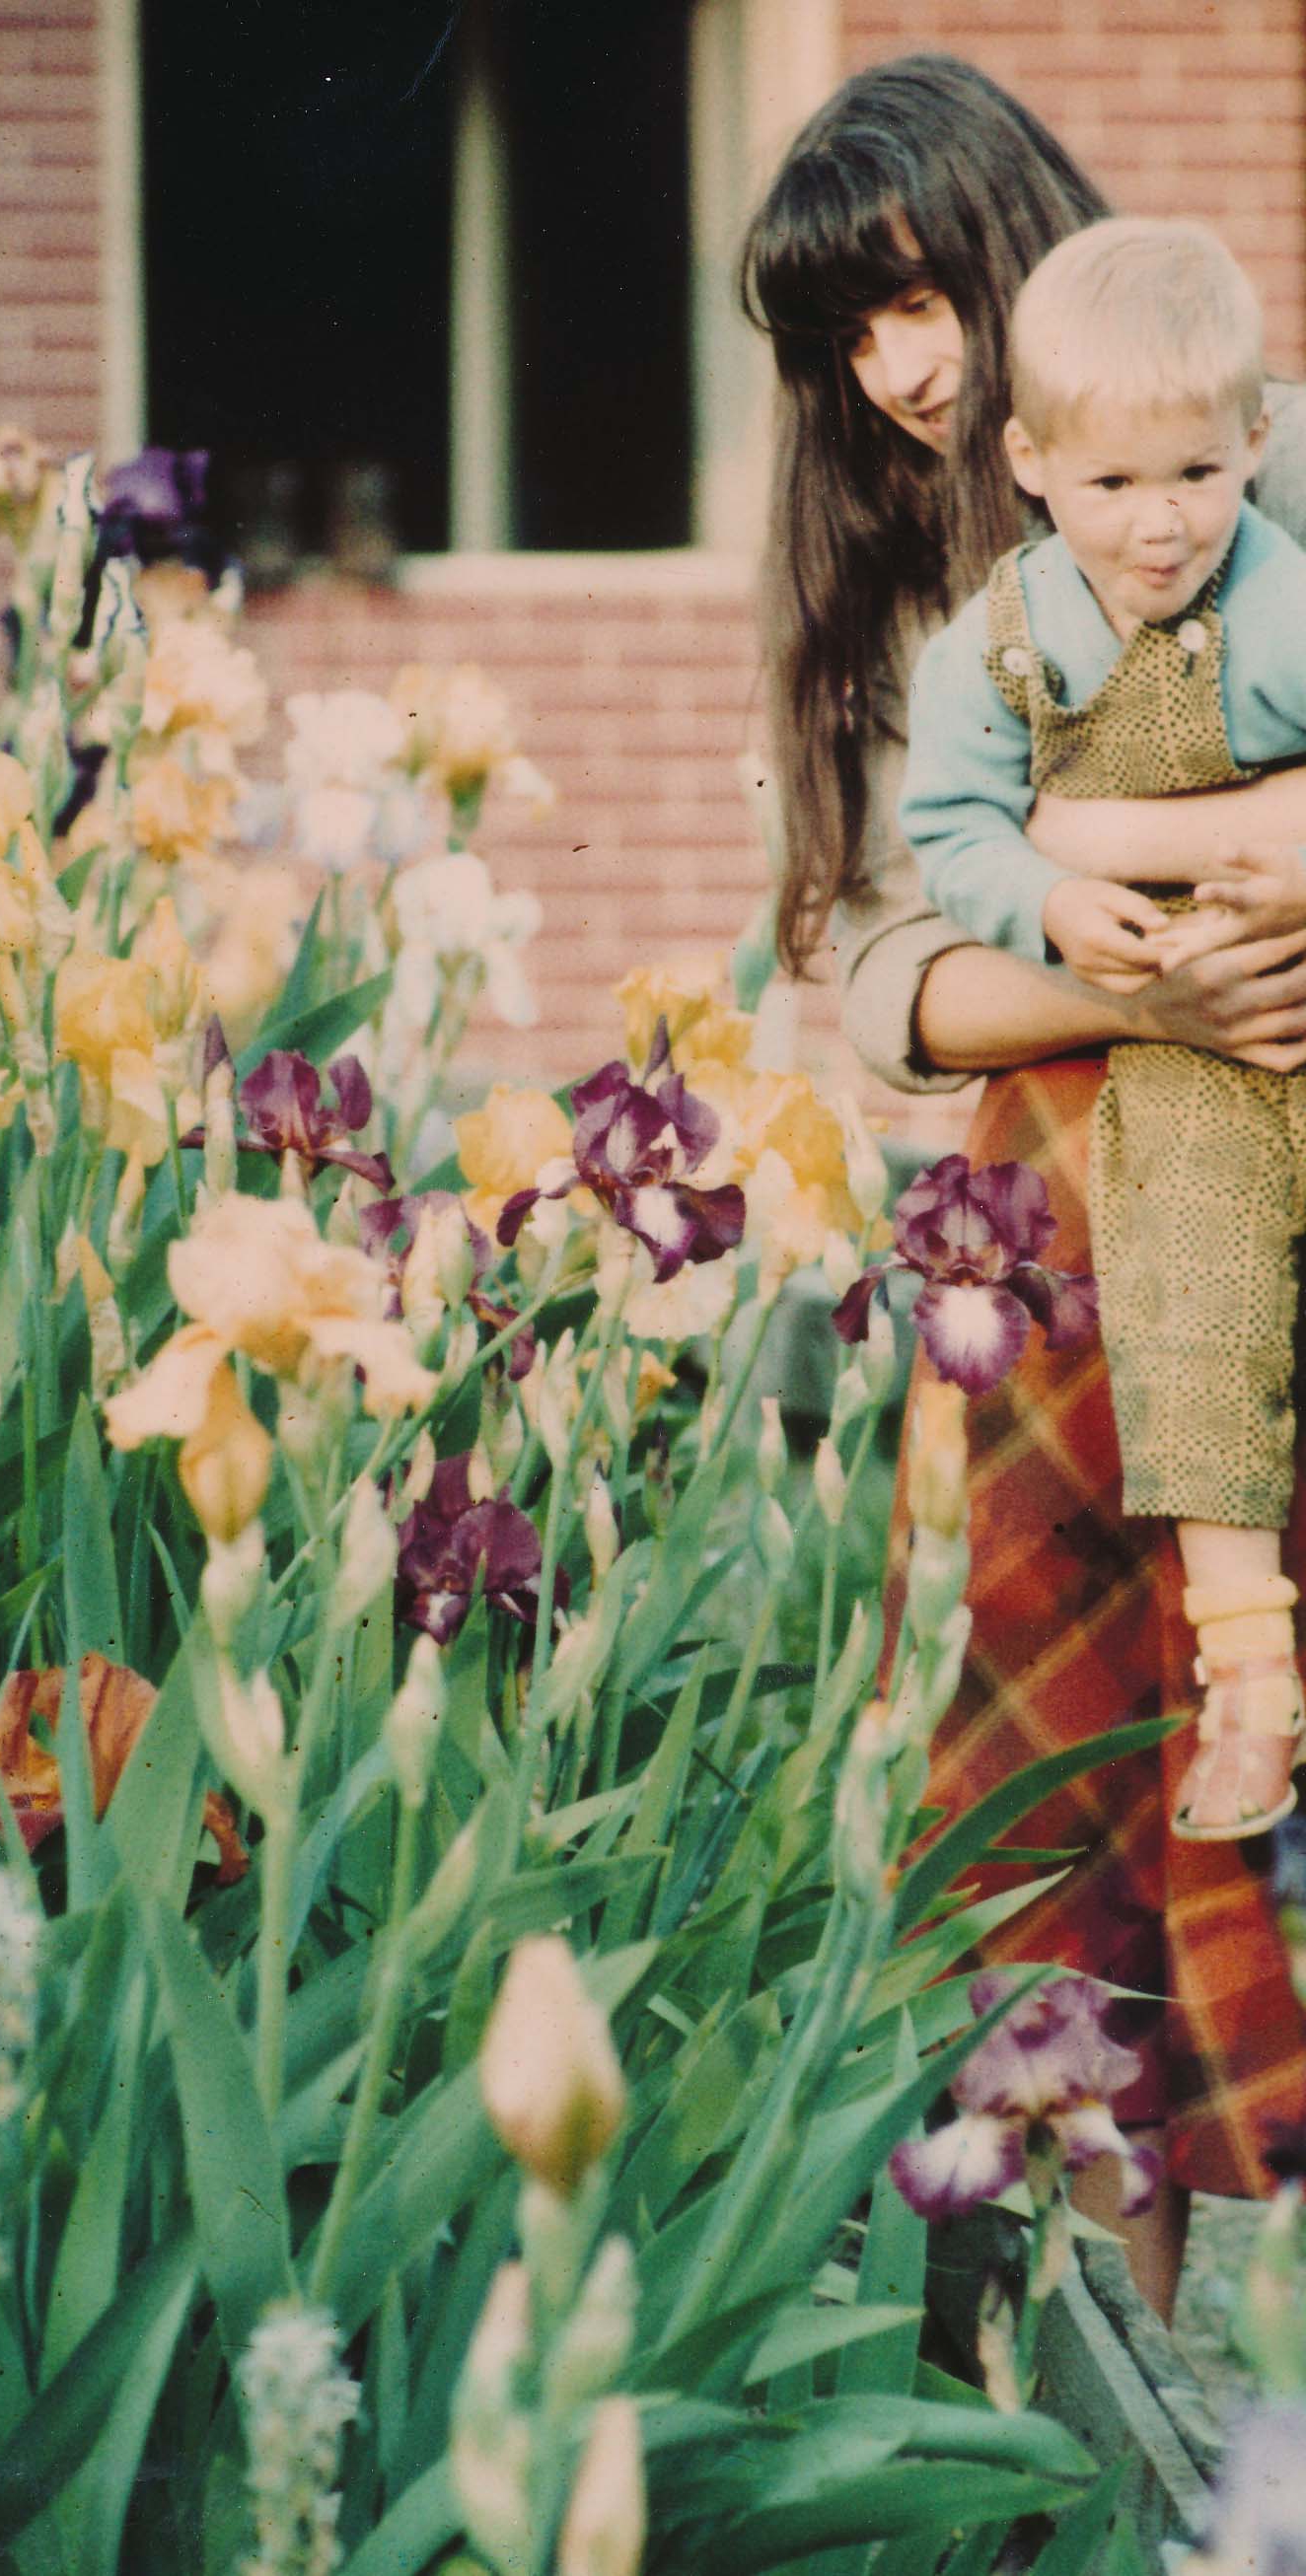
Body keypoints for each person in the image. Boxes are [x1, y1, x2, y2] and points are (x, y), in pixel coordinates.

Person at [740, 53, 1306, 2321]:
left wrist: (1182, 883)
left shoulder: (1248, 458)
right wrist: (1143, 981)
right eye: (838, 335)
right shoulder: (899, 589)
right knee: (1068, 1798)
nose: (893, 365)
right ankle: (1112, 2370)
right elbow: (890, 968)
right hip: (1059, 1235)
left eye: (911, 295)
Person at [901, 216, 1306, 1845]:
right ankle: (1253, 1669)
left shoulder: (1286, 604)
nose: (1162, 524)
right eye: (1116, 484)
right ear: (1030, 466)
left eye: (1198, 475)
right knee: (1192, 1276)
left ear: (1257, 442)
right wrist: (1048, 897)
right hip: (1187, 1045)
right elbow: (955, 828)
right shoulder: (994, 648)